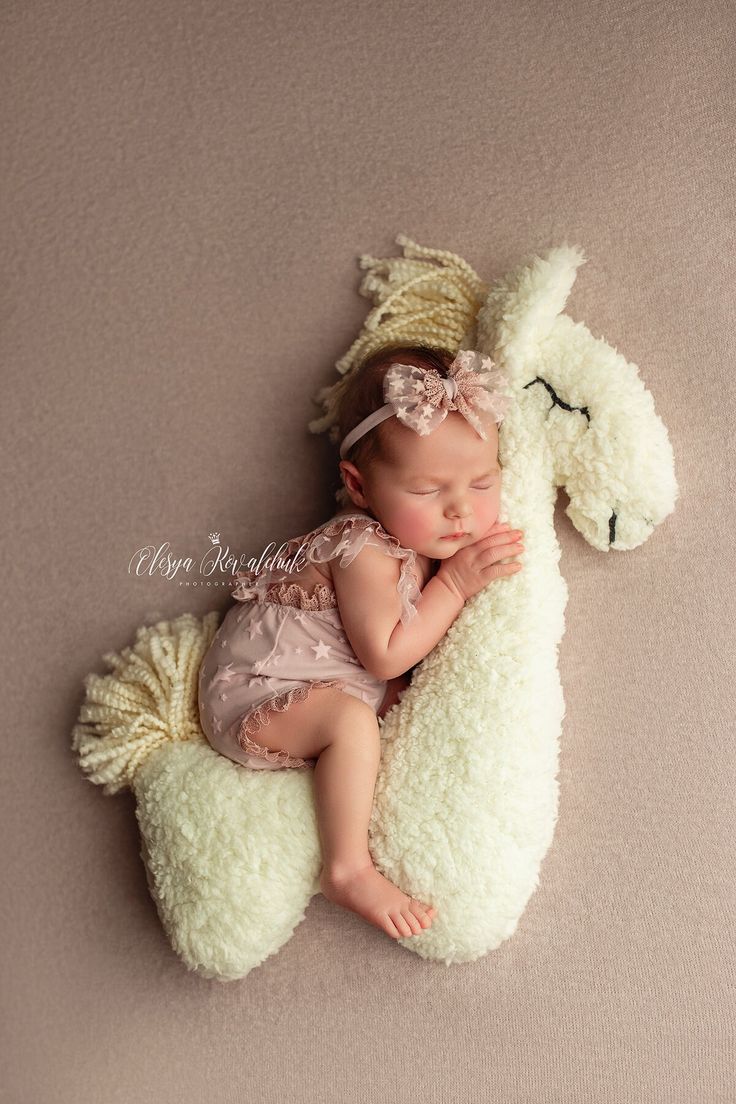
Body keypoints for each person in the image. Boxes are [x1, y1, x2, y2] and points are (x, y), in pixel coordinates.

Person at [198, 343, 525, 941]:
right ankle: (347, 868)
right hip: (254, 697)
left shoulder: (417, 542)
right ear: (359, 486)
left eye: (482, 483)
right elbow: (385, 653)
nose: (460, 510)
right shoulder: (363, 547)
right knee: (352, 722)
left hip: (311, 684)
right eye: (428, 491)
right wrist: (454, 583)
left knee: (372, 714)